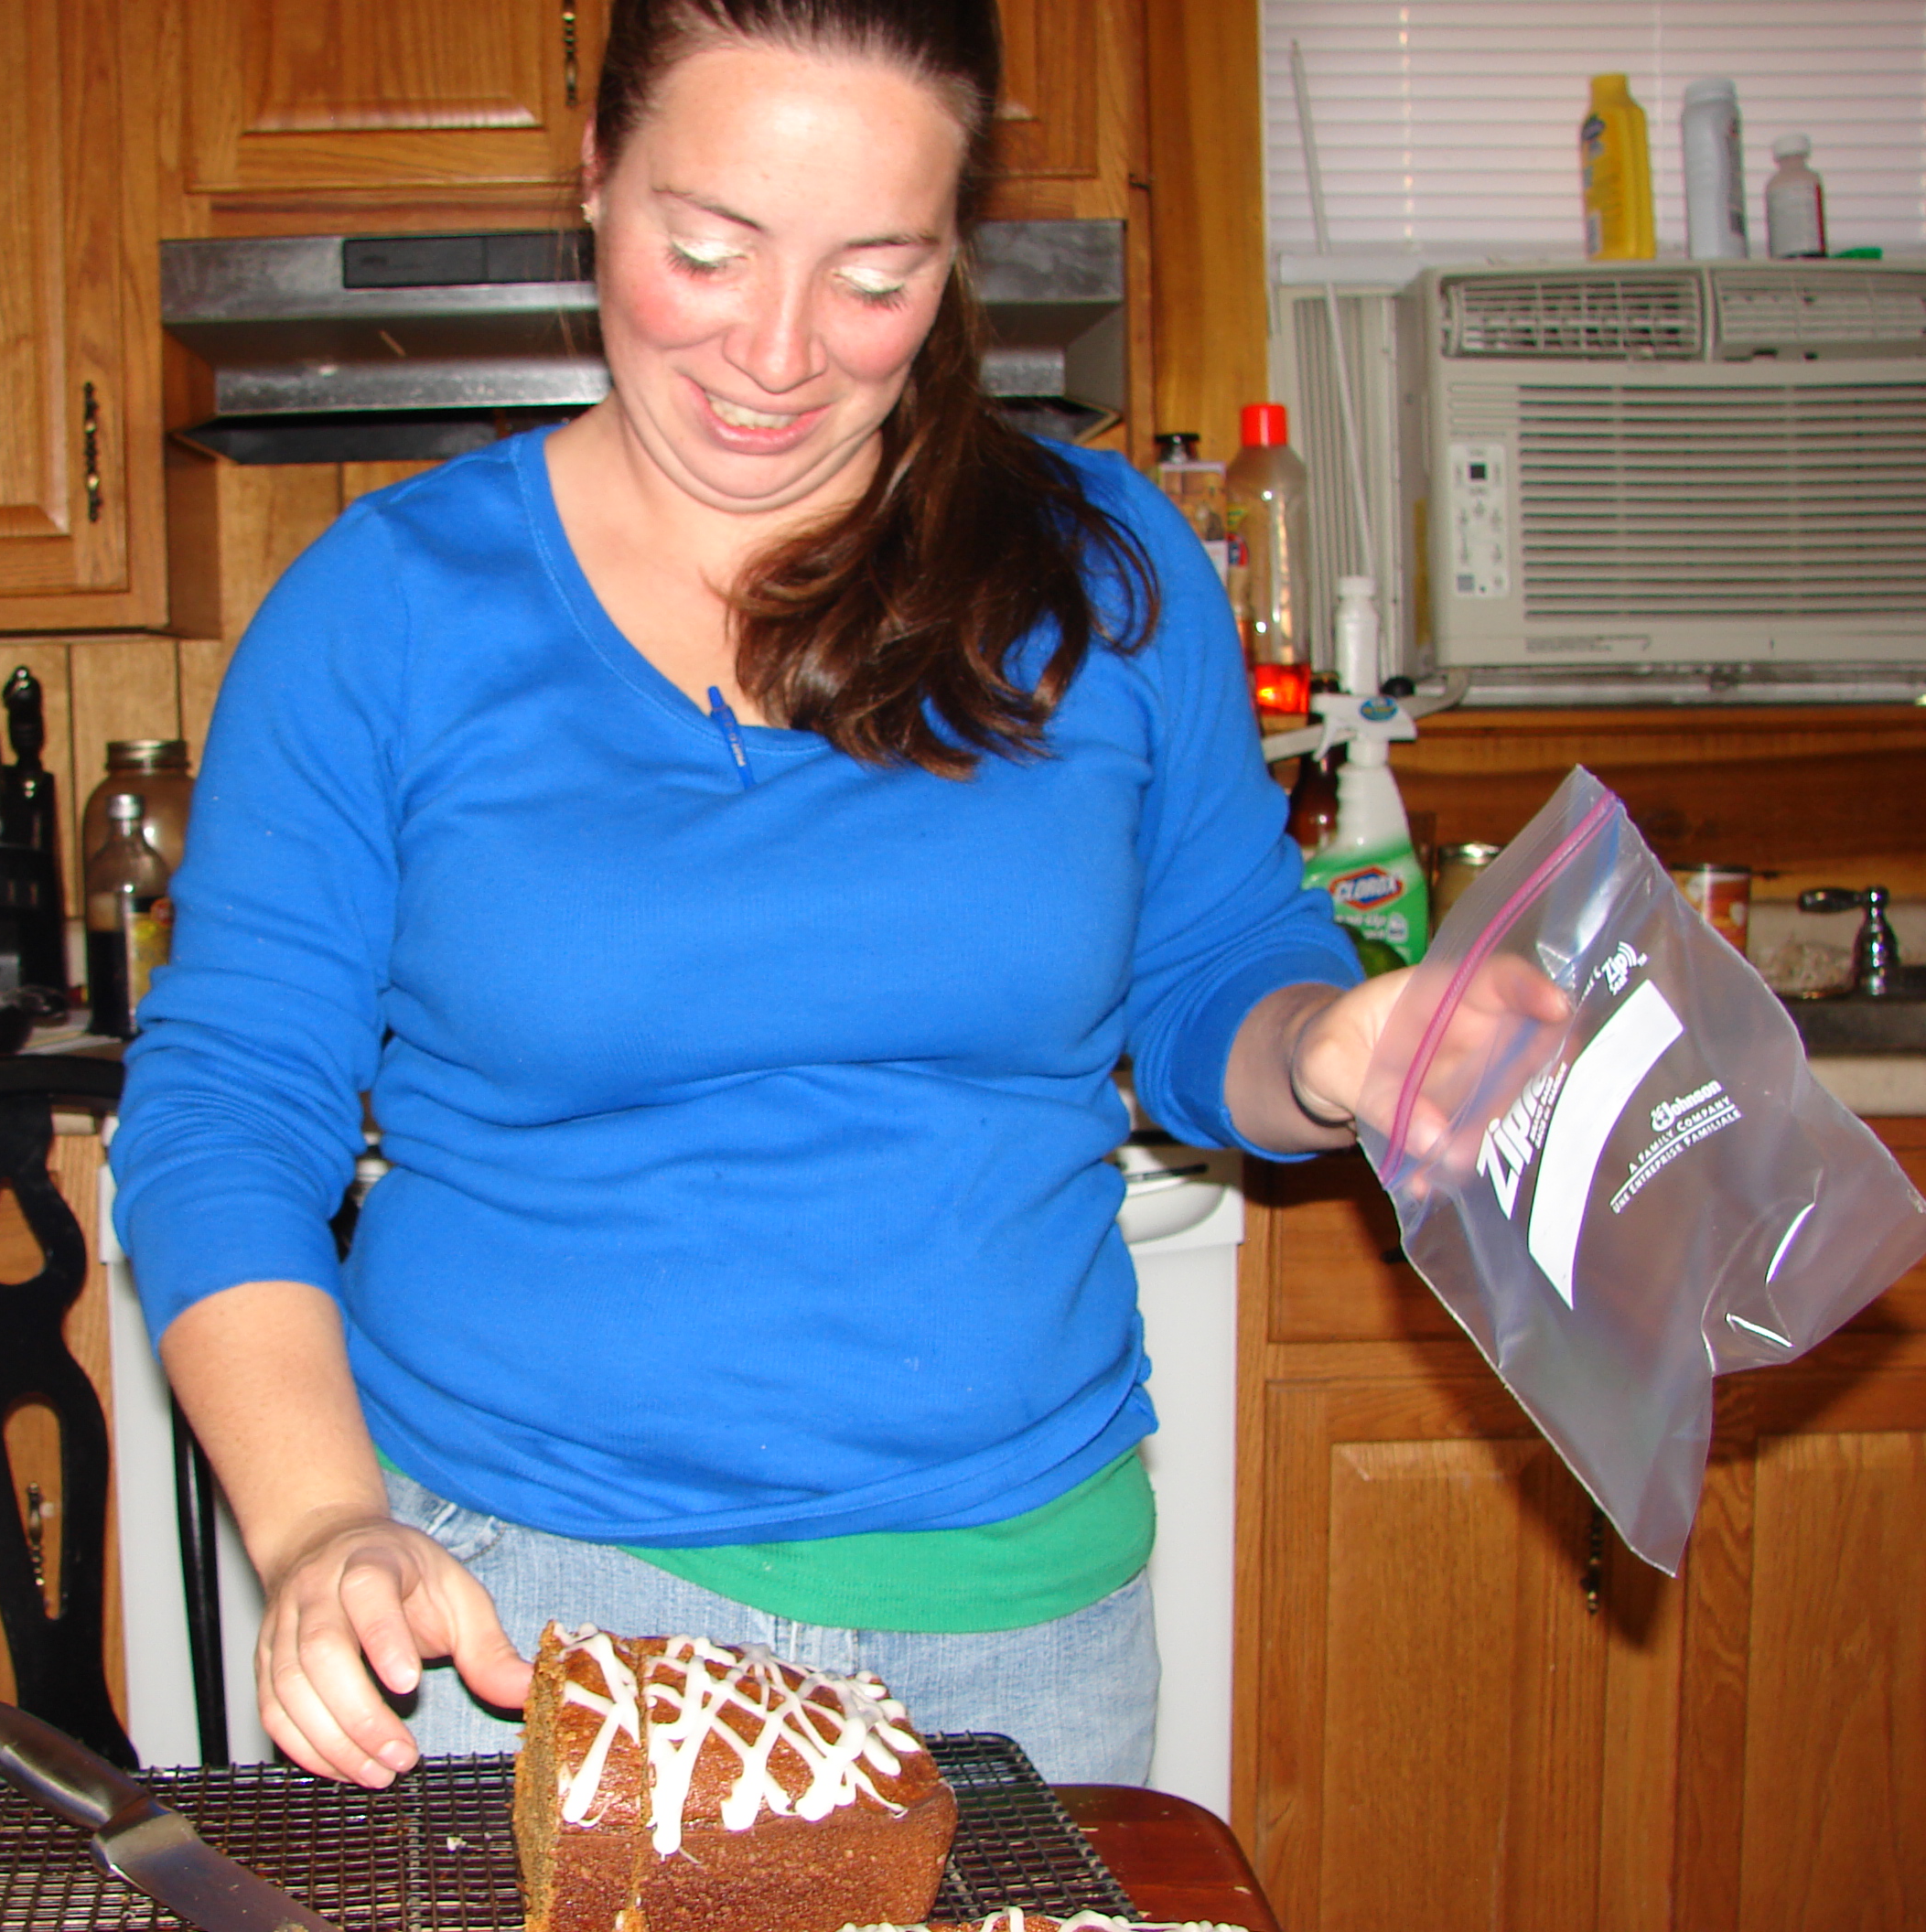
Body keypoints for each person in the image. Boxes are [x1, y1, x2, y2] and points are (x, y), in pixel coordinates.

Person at [111, 0, 1420, 1790]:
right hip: (511, 1629)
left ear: (954, 263)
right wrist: (318, 1522)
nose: (780, 353)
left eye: (873, 278)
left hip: (1018, 1643)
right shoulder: (382, 612)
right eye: (705, 250)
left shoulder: (1102, 574)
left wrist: (1332, 1042)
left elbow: (1214, 982)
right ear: (594, 183)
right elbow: (226, 1105)